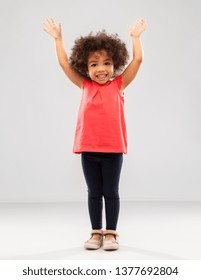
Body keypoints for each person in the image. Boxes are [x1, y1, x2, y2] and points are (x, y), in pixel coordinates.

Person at [43, 18, 146, 250]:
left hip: (113, 151)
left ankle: (111, 233)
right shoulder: (85, 86)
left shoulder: (119, 84)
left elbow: (138, 60)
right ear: (86, 68)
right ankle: (95, 233)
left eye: (107, 63)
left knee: (111, 192)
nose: (101, 69)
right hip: (88, 150)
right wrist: (58, 39)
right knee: (93, 193)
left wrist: (136, 38)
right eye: (94, 65)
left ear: (115, 65)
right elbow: (64, 65)